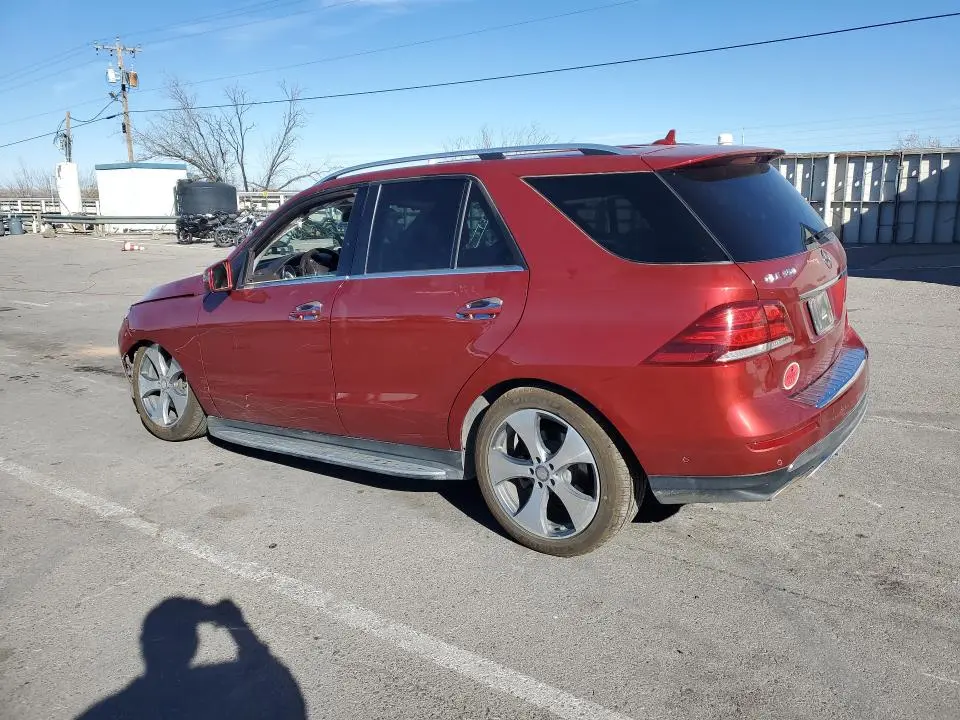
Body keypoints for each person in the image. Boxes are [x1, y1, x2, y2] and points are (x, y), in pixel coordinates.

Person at [76, 597, 306, 720]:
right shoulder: (223, 684)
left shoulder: (108, 711)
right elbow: (274, 678)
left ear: (145, 642)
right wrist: (238, 627)